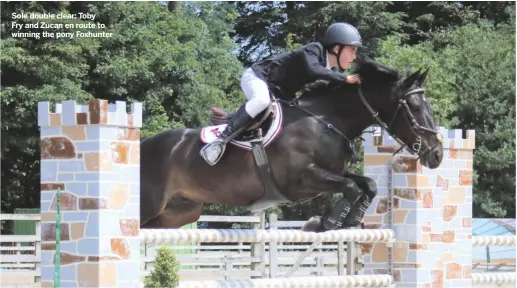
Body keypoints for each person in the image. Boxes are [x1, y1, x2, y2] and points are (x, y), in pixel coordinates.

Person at [200, 22, 363, 165]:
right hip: (258, 77)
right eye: (352, 50)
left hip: (279, 94)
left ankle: (232, 119)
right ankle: (220, 141)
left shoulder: (330, 69)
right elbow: (313, 69)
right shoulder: (314, 50)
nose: (354, 57)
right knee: (262, 100)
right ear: (337, 48)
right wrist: (346, 78)